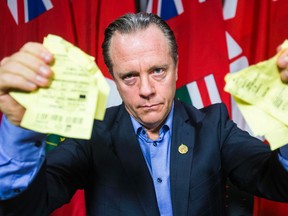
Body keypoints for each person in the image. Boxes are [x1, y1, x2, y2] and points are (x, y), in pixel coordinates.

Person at [0, 12, 288, 216]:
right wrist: (19, 126)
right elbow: (23, 206)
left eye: (158, 70)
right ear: (112, 77)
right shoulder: (92, 136)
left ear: (176, 66)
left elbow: (280, 183)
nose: (147, 90)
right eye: (129, 77)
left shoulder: (214, 126)